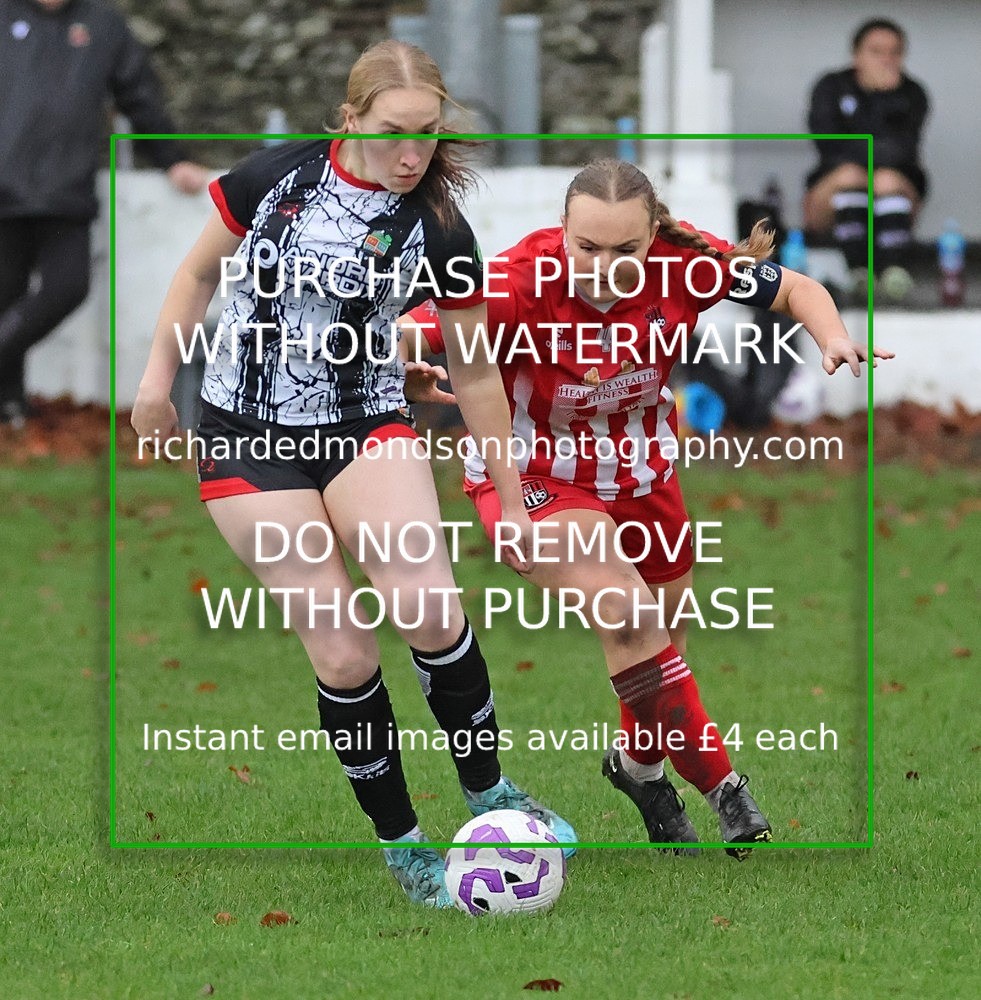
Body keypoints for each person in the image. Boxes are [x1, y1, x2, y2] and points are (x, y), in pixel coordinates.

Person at [130, 40, 574, 908]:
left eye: (427, 133)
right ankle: (405, 848)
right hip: (245, 437)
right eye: (392, 133)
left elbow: (477, 372)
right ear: (350, 118)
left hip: (365, 422)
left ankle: (489, 794)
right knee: (341, 650)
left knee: (429, 608)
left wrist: (511, 499)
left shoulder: (439, 225)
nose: (411, 154)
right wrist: (155, 385)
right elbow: (197, 272)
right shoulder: (275, 179)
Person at [404, 158, 893, 857]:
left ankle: (638, 770)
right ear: (562, 230)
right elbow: (411, 329)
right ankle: (724, 787)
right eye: (586, 247)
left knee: (657, 650)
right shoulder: (516, 279)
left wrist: (832, 335)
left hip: (644, 479)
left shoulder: (682, 263)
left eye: (624, 250)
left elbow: (794, 288)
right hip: (536, 477)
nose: (604, 268)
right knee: (628, 616)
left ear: (653, 235)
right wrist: (407, 362)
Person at [0, 0, 208, 425]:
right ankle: (10, 406)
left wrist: (171, 158)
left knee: (67, 287)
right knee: (6, 295)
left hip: (67, 192)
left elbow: (138, 94)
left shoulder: (102, 23)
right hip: (4, 193)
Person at [803, 18, 929, 300]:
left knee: (884, 179)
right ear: (856, 55)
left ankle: (893, 270)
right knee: (852, 175)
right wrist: (872, 106)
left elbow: (900, 153)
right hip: (831, 196)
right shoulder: (831, 87)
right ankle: (857, 270)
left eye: (894, 52)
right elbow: (829, 146)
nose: (886, 60)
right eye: (876, 51)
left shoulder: (912, 94)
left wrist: (882, 100)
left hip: (892, 190)